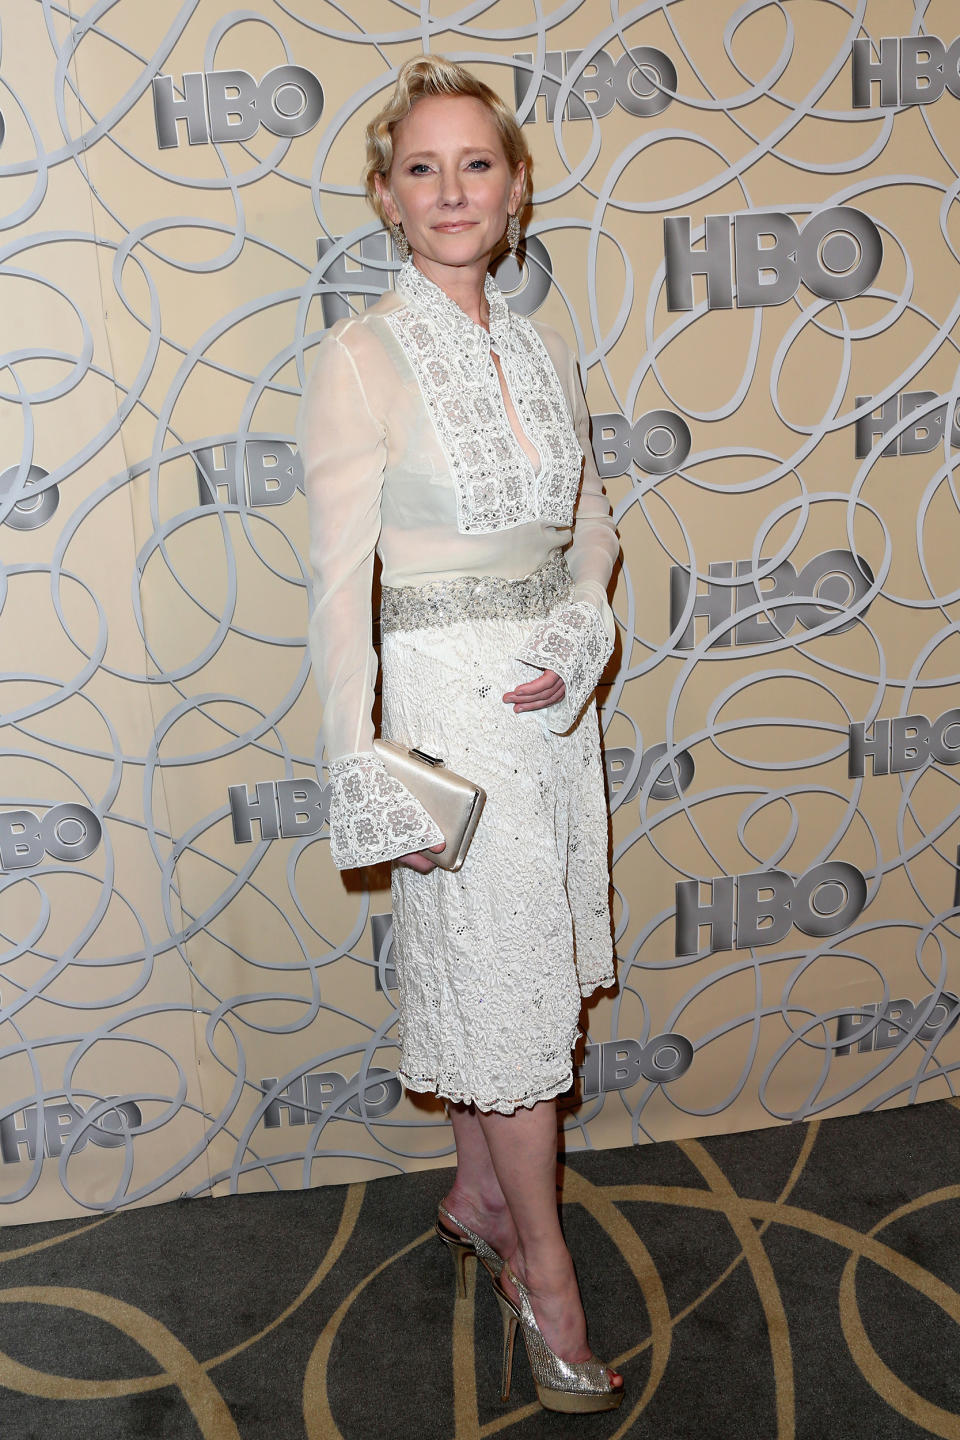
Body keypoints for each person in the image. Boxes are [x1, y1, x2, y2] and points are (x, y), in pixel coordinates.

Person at [296, 54, 623, 1414]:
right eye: (421, 168)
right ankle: (546, 1268)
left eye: (473, 164)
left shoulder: (541, 348)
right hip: (443, 721)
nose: (450, 189)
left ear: (516, 186)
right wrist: (365, 769)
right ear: (386, 194)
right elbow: (334, 588)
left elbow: (593, 533)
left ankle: (482, 1196)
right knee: (507, 1000)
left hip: (547, 713)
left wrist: (575, 641)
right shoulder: (358, 357)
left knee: (526, 982)